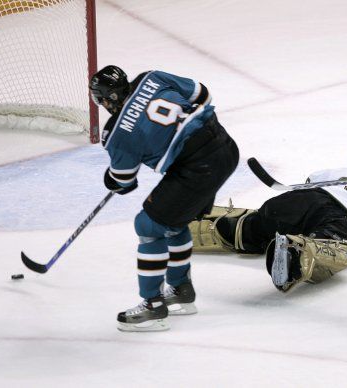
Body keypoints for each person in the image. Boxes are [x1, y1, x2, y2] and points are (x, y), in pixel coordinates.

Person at [89, 65, 239, 331]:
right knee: (172, 222)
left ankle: (152, 306)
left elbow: (124, 182)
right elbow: (203, 95)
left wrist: (111, 179)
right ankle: (181, 290)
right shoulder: (152, 77)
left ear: (107, 98)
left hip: (198, 168)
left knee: (148, 225)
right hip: (225, 147)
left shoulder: (117, 134)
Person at [189, 142, 347, 291]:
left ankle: (219, 228)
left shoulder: (336, 171)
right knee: (331, 244)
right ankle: (295, 253)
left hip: (311, 199)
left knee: (261, 223)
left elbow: (310, 181)